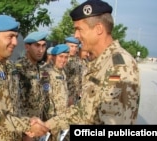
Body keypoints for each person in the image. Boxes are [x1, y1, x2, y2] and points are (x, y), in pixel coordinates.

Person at [32, 0, 140, 134]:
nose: (76, 36)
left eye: (79, 29)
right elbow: (83, 111)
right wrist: (47, 125)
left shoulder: (119, 66)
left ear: (99, 29)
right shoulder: (99, 63)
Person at [15, 31, 50, 141]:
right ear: (27, 47)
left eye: (43, 46)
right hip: (26, 130)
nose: (41, 50)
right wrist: (25, 132)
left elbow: (43, 99)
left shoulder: (41, 69)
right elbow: (16, 103)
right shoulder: (18, 69)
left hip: (38, 126)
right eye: (37, 46)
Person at [43, 44, 70, 141]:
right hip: (53, 120)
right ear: (53, 57)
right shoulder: (46, 72)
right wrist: (50, 122)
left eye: (66, 57)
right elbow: (46, 99)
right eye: (61, 57)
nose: (63, 60)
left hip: (62, 118)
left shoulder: (62, 71)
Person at [64, 36, 82, 106]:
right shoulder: (63, 60)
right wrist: (69, 96)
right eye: (71, 46)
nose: (74, 49)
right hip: (67, 95)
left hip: (77, 95)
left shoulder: (78, 60)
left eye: (76, 47)